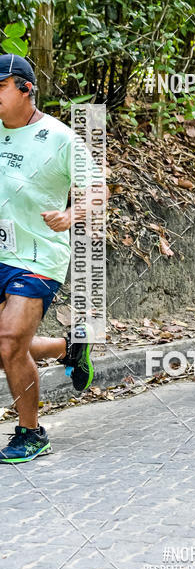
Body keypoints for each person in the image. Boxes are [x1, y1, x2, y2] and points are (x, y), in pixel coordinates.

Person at [0, 54, 100, 464]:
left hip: (38, 256)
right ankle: (67, 347)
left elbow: (97, 191)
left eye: (0, 87)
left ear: (26, 89)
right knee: (6, 345)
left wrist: (72, 214)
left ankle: (31, 432)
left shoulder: (61, 138)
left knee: (9, 342)